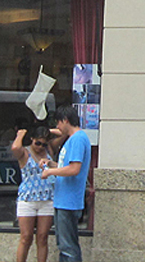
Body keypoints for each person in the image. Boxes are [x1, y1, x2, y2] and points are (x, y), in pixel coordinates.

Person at [40, 106, 90, 262]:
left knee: (68, 248)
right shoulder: (74, 139)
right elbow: (65, 167)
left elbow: (74, 169)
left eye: (58, 123)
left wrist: (50, 172)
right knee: (64, 245)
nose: (58, 127)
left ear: (65, 120)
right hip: (63, 199)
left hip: (69, 201)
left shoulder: (77, 139)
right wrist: (50, 164)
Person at [12, 127, 56, 262]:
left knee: (43, 237)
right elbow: (15, 148)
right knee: (26, 237)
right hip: (27, 198)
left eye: (44, 144)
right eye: (38, 143)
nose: (40, 147)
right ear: (32, 139)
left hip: (47, 198)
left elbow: (62, 133)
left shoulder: (48, 152)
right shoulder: (25, 153)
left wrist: (47, 131)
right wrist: (21, 134)